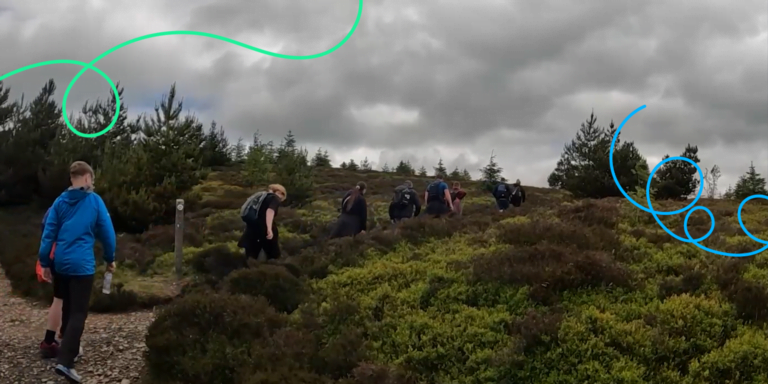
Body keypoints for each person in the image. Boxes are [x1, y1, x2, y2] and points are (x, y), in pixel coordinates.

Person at [39, 161, 116, 383]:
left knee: (67, 306)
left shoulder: (59, 202)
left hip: (61, 263)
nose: (92, 182)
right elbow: (107, 233)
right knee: (78, 313)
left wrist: (45, 262)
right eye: (91, 178)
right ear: (85, 178)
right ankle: (65, 362)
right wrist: (109, 258)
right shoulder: (94, 201)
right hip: (82, 266)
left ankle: (66, 346)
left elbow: (48, 234)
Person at [238, 184, 287, 264]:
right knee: (273, 256)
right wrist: (269, 229)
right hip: (263, 230)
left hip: (252, 229)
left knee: (251, 256)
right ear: (279, 192)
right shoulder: (274, 198)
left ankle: (248, 271)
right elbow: (270, 211)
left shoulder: (262, 197)